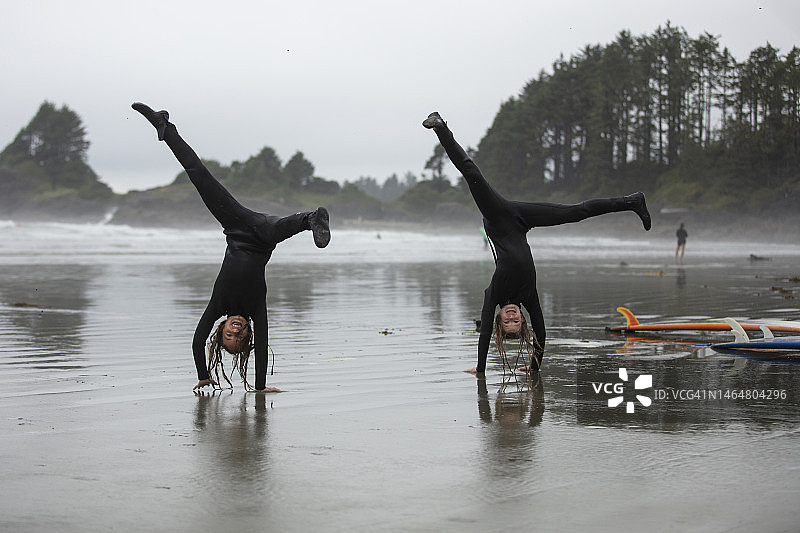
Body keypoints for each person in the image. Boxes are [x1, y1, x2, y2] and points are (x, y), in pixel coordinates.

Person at [422, 111, 651, 374]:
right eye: (515, 321)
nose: (511, 317)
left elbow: (485, 332)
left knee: (472, 173)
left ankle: (440, 127)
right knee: (575, 212)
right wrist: (534, 367)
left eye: (506, 320)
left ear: (500, 318)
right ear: (522, 319)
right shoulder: (529, 297)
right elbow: (541, 333)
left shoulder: (493, 294)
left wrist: (481, 369)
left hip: (497, 218)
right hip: (519, 222)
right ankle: (632, 201)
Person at [132, 102, 331, 393]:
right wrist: (260, 387)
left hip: (236, 228)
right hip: (262, 237)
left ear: (222, 328)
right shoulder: (256, 309)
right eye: (239, 335)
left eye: (228, 334)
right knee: (277, 228)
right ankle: (311, 218)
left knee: (198, 174)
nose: (235, 331)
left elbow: (197, 340)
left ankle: (165, 127)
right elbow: (262, 348)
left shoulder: (219, 305)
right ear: (247, 331)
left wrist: (202, 374)